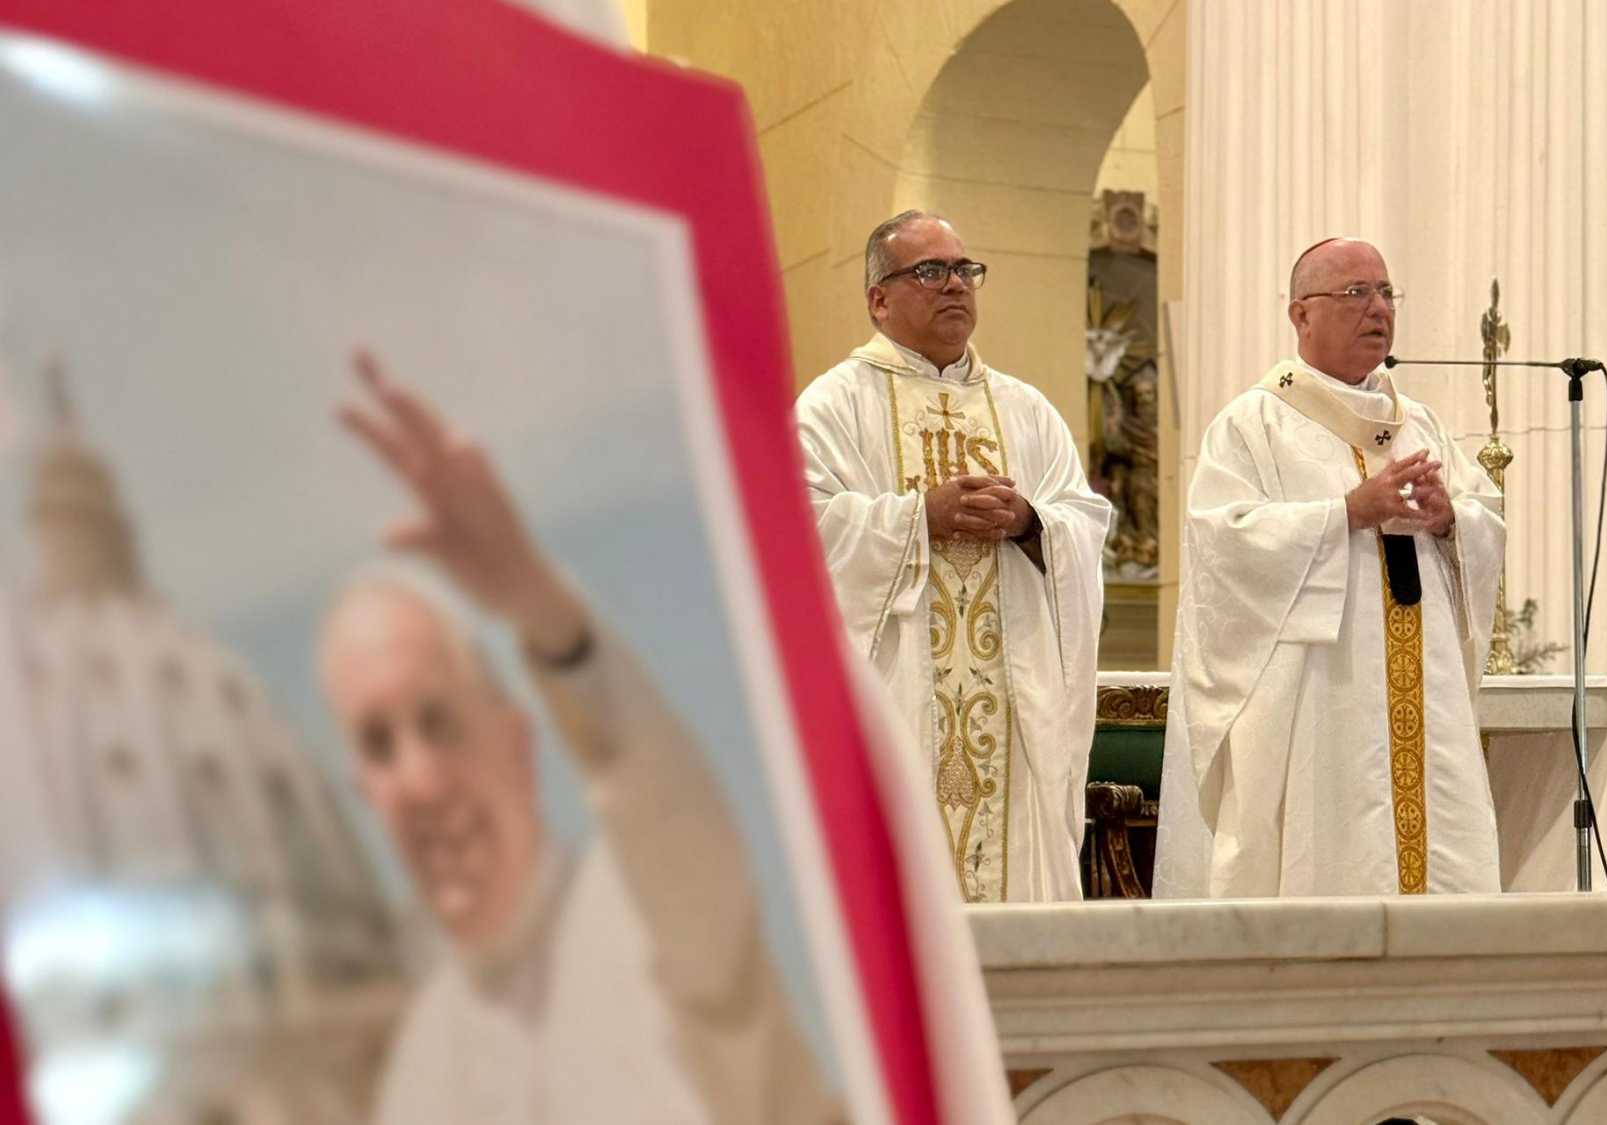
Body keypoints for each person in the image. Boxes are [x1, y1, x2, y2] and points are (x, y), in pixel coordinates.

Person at [321, 354, 841, 1124]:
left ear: (517, 742)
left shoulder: (646, 914)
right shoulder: (415, 1071)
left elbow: (668, 811)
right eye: (379, 745)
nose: (422, 779)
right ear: (364, 792)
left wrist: (536, 601)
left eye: (439, 721)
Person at [1153, 237, 1506, 899]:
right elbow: (1221, 543)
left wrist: (1448, 518)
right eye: (1354, 293)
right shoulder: (1254, 422)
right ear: (1300, 314)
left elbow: (1483, 516)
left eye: (1384, 292)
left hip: (1423, 689)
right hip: (1317, 695)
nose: (1376, 308)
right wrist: (1344, 511)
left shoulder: (1419, 424)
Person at [796, 211, 1111, 904]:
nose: (954, 287)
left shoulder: (1025, 409)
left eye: (964, 270)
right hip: (897, 700)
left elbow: (1084, 520)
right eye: (929, 272)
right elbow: (798, 535)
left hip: (1012, 699)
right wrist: (918, 518)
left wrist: (1032, 521)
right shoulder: (831, 406)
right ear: (879, 298)